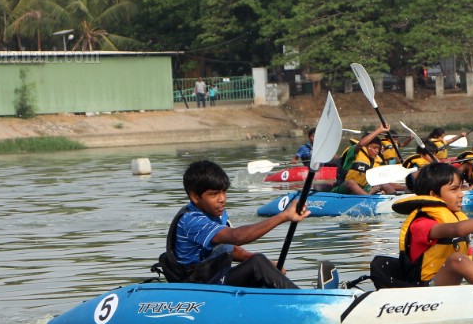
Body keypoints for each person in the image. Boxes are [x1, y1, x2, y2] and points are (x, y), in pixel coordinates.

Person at [165, 159, 308, 289]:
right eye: (214, 194)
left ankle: (293, 298)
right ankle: (304, 301)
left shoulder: (215, 214)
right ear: (195, 197)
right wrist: (284, 216)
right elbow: (237, 237)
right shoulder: (192, 221)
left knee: (258, 262)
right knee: (257, 263)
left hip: (213, 279)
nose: (222, 199)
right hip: (197, 287)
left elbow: (230, 249)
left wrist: (268, 266)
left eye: (224, 192)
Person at [332, 124, 398, 195]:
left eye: (378, 148)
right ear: (366, 147)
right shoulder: (354, 152)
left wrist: (406, 188)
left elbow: (386, 182)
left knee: (383, 184)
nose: (377, 151)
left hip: (363, 190)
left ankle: (393, 199)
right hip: (343, 188)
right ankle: (367, 200)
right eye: (374, 148)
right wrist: (380, 130)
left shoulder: (376, 161)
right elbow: (361, 144)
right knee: (350, 182)